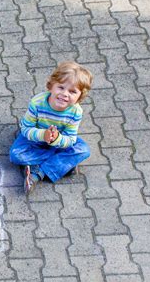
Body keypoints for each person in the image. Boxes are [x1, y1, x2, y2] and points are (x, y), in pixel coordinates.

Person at [9, 61, 92, 195]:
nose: (65, 94)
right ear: (51, 86)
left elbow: (70, 139)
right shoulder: (37, 102)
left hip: (59, 141)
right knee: (15, 155)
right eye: (61, 87)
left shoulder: (76, 112)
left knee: (83, 150)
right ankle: (64, 164)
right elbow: (26, 128)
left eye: (72, 91)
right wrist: (43, 135)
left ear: (79, 97)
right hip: (35, 138)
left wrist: (57, 139)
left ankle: (38, 173)